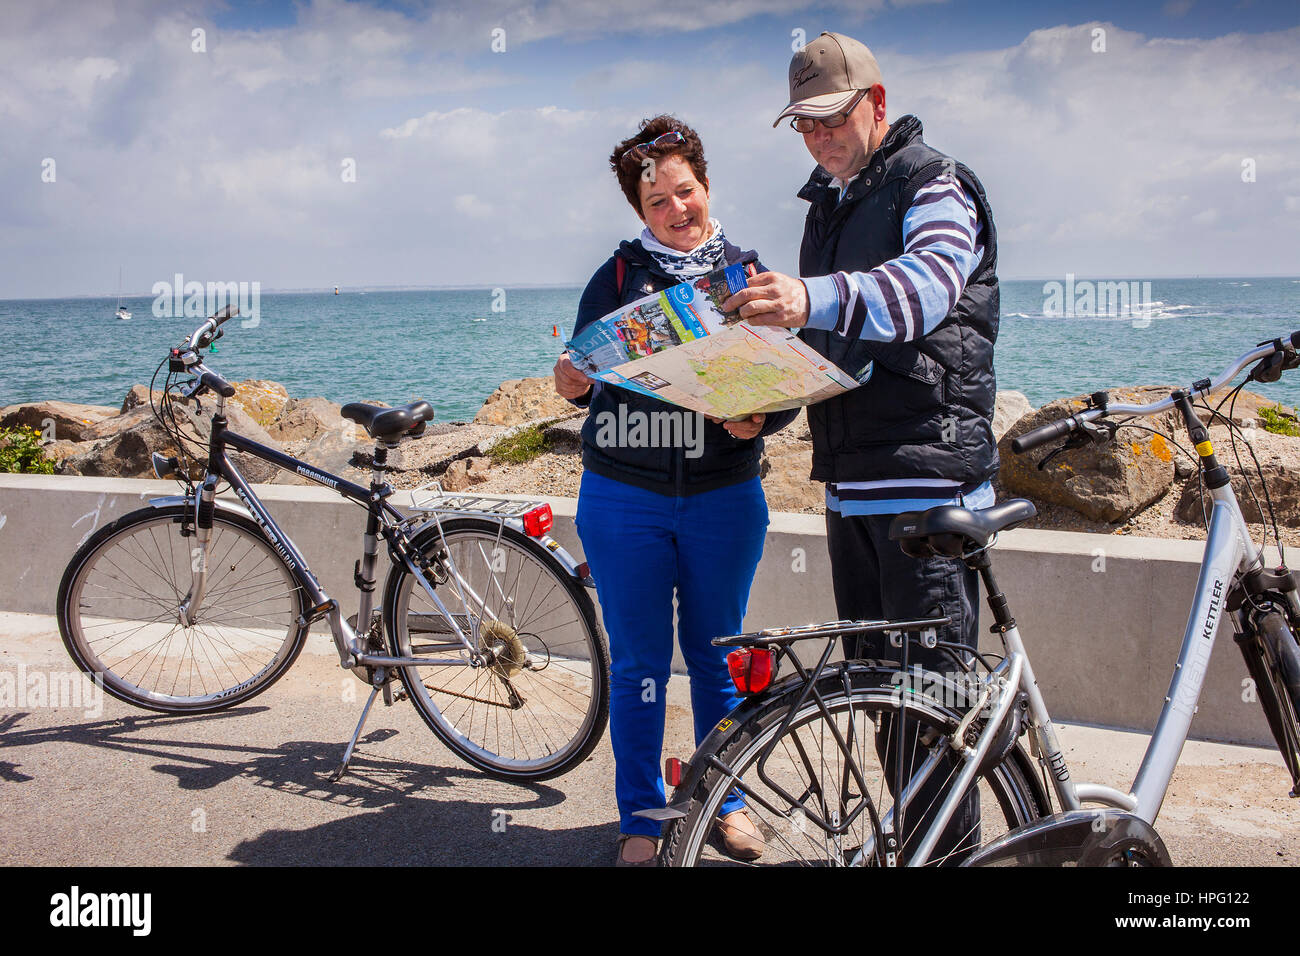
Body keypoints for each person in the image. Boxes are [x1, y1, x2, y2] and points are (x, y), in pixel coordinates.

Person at [722, 32, 1000, 863]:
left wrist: (807, 295)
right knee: (888, 711)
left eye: (831, 120)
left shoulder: (935, 182)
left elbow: (920, 294)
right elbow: (837, 350)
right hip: (853, 489)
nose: (817, 139)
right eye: (802, 127)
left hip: (927, 485)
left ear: (876, 103)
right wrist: (761, 411)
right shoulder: (830, 205)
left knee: (935, 717)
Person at [553, 115, 797, 866]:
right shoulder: (618, 276)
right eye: (658, 203)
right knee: (640, 667)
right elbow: (576, 375)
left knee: (719, 655)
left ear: (706, 184)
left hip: (725, 495)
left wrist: (768, 415)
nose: (676, 211)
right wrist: (569, 379)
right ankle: (642, 819)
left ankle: (725, 802)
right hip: (625, 495)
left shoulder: (752, 274)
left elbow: (784, 382)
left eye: (684, 192)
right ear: (640, 211)